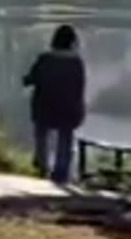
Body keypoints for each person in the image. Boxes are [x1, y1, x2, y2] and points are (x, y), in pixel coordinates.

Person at [23, 24, 86, 183]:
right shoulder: (76, 62)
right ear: (72, 41)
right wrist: (79, 108)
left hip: (45, 106)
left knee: (41, 135)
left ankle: (42, 166)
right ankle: (61, 173)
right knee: (65, 139)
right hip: (68, 109)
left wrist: (27, 79)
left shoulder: (45, 59)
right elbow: (79, 87)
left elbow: (32, 78)